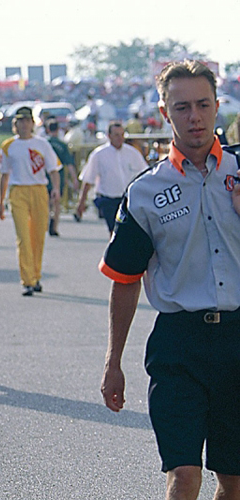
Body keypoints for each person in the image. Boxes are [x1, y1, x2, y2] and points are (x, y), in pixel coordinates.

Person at [100, 60, 240, 500]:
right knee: (183, 476)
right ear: (164, 113)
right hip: (178, 345)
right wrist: (113, 362)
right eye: (182, 107)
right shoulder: (144, 191)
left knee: (234, 481)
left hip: (238, 341)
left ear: (218, 107)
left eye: (202, 105)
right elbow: (124, 279)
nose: (194, 116)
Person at [0, 106, 61, 296]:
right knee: (23, 237)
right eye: (20, 121)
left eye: (27, 121)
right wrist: (0, 201)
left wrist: (56, 189)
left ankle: (36, 275)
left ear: (32, 124)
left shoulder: (42, 145)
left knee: (37, 236)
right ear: (15, 125)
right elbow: (3, 174)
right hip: (18, 192)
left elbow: (53, 170)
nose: (24, 125)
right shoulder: (8, 146)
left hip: (39, 190)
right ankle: (27, 280)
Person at [74, 121, 148, 233]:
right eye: (116, 135)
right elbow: (88, 179)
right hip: (108, 199)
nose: (120, 138)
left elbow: (145, 175)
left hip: (128, 199)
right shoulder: (99, 154)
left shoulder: (132, 153)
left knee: (128, 231)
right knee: (114, 230)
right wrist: (81, 203)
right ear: (109, 136)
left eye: (122, 135)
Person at [44, 119, 78, 236]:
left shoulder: (44, 144)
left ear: (47, 129)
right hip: (59, 176)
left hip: (45, 176)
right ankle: (54, 225)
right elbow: (69, 163)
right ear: (58, 130)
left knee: (46, 202)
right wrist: (74, 179)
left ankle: (48, 219)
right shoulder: (62, 145)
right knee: (56, 202)